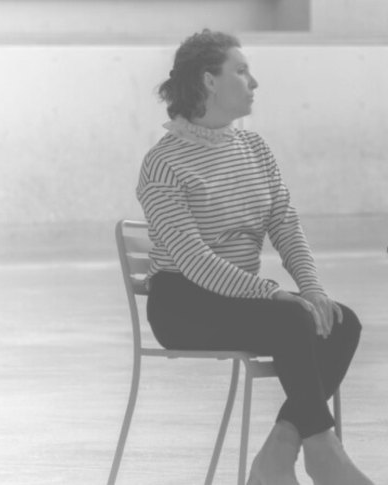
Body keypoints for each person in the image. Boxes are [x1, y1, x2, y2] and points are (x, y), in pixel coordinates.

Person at [136, 30, 374, 485]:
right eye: (242, 71)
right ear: (209, 81)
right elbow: (194, 261)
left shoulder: (254, 148)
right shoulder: (164, 164)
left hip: (241, 299)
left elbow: (285, 223)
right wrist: (273, 294)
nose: (254, 82)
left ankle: (280, 452)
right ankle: (324, 453)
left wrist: (311, 289)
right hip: (182, 304)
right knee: (291, 319)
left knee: (340, 322)